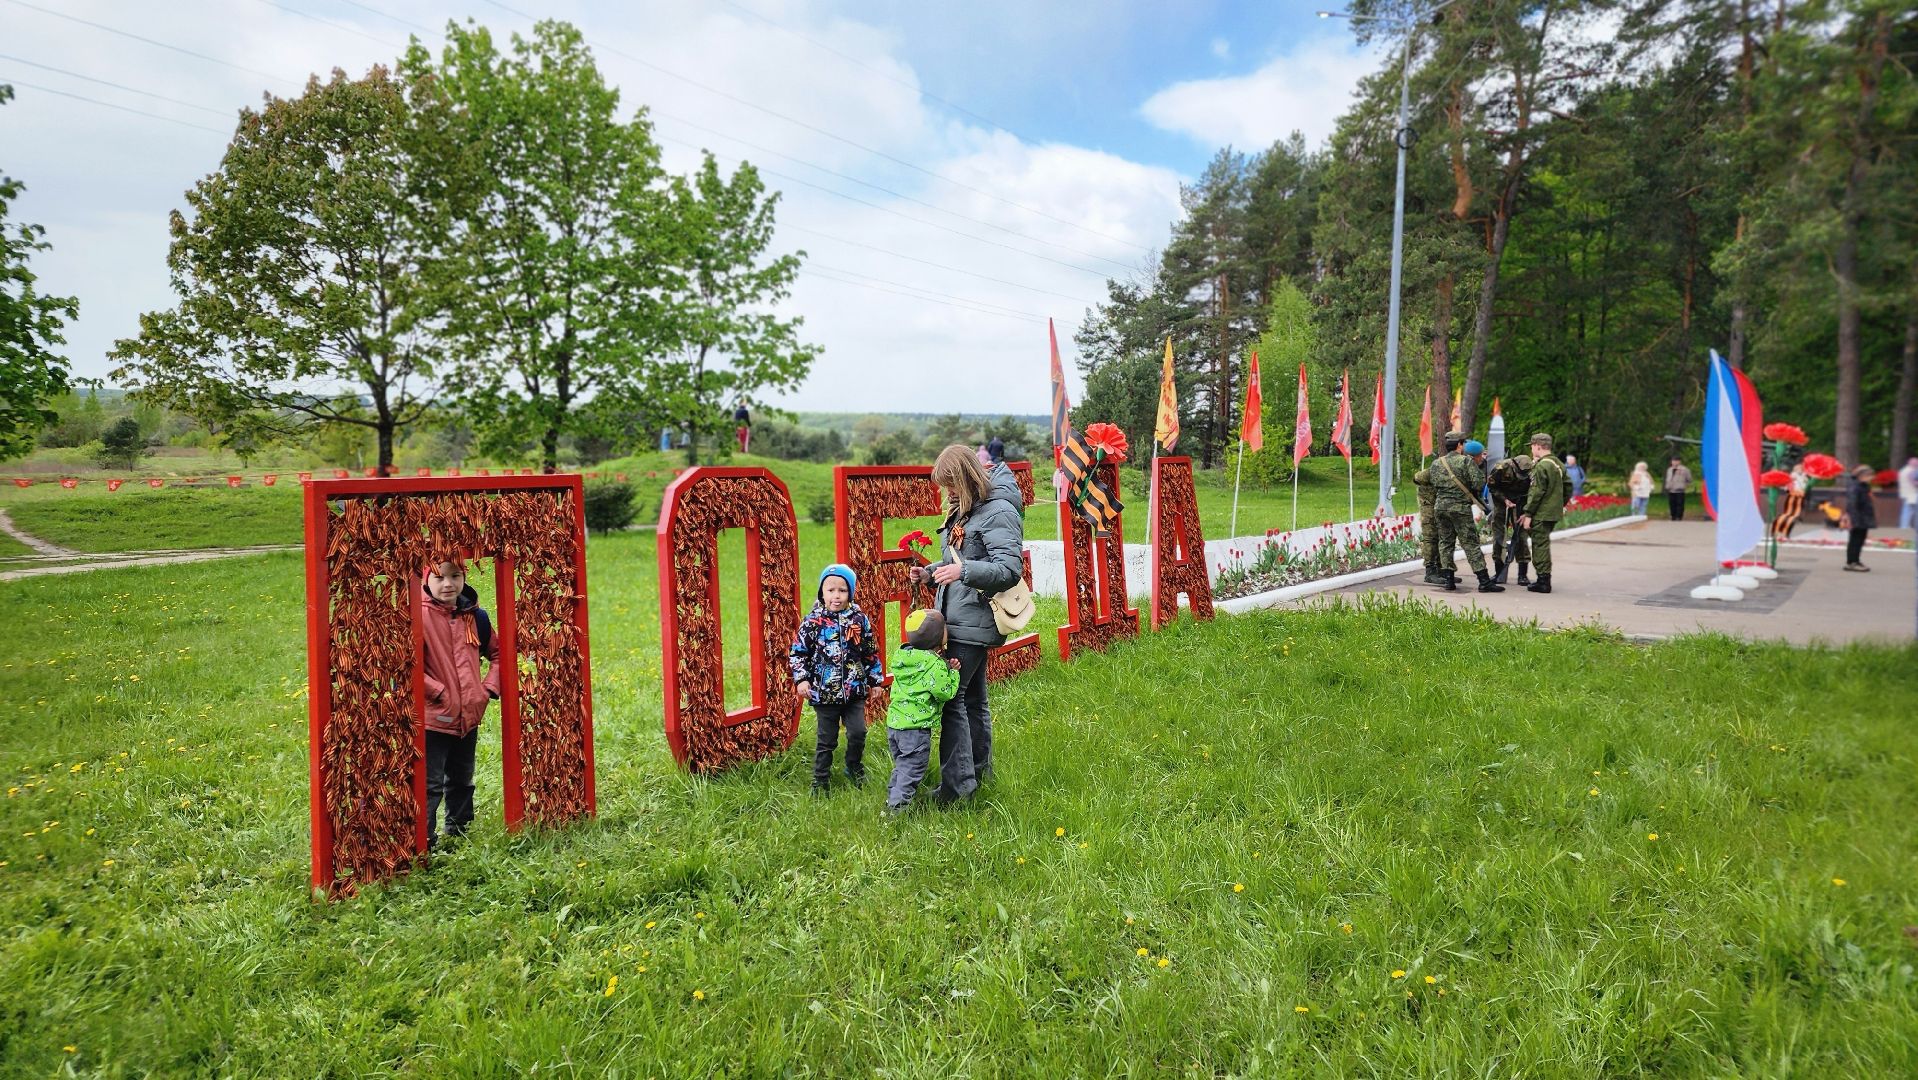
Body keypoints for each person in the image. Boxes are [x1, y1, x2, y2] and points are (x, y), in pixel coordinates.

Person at [909, 444, 1026, 803]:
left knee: (953, 700)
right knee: (973, 699)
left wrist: (964, 571)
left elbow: (1009, 570)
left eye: (951, 484)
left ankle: (957, 789)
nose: (947, 493)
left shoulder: (998, 511)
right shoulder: (965, 510)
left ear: (965, 477)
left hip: (974, 619)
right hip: (958, 615)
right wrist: (930, 574)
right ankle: (976, 774)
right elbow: (958, 561)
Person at [417, 560, 500, 848]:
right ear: (426, 580)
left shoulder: (475, 617)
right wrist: (437, 691)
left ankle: (459, 833)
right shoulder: (417, 617)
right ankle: (423, 840)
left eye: (455, 576)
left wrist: (486, 689)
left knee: (462, 778)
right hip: (432, 718)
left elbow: (499, 654)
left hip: (468, 716)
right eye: (439, 577)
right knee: (429, 785)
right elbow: (405, 665)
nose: (448, 583)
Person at [788, 564, 883, 793]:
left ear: (850, 592)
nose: (836, 596)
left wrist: (875, 679)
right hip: (823, 692)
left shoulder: (859, 619)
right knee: (826, 740)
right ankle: (820, 781)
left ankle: (854, 767)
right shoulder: (812, 622)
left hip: (854, 689)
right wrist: (802, 680)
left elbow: (870, 650)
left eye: (842, 590)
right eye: (830, 590)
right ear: (822, 592)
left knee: (858, 732)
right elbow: (798, 653)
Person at [883, 609, 962, 814]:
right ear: (938, 638)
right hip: (915, 729)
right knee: (912, 769)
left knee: (902, 765)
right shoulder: (933, 665)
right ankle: (897, 809)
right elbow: (945, 693)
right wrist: (953, 673)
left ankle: (893, 797)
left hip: (895, 723)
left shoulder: (904, 656)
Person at [1432, 435, 1502, 593]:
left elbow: (1433, 483)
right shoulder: (1466, 461)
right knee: (1470, 543)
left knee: (1445, 543)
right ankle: (1484, 581)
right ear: (1459, 445)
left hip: (1440, 507)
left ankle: (1448, 580)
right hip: (1460, 509)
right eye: (1463, 443)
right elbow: (1478, 484)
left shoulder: (1437, 463)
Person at [1520, 433, 1567, 594]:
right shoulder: (1557, 464)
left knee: (1540, 545)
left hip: (1540, 512)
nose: (1532, 449)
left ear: (1538, 446)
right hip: (1552, 512)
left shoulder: (1541, 466)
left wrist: (1528, 513)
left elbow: (1536, 492)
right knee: (1543, 543)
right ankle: (1543, 579)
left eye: (1532, 446)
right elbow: (1568, 486)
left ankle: (1543, 581)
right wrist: (1560, 503)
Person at [1488, 453, 1534, 586]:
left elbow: (1532, 491)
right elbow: (1492, 487)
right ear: (1514, 465)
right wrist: (1505, 500)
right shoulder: (1501, 468)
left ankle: (1522, 575)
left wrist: (1527, 511)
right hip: (1501, 502)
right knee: (1499, 536)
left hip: (1520, 502)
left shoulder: (1531, 471)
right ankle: (1499, 572)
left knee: (1521, 537)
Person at [1842, 464, 1877, 571]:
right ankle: (1852, 562)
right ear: (1861, 475)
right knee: (1855, 540)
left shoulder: (1864, 486)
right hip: (1857, 516)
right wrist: (1853, 518)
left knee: (1860, 539)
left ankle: (1855, 560)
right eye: (1869, 475)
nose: (1871, 478)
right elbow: (1852, 503)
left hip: (1863, 516)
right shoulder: (1855, 486)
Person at [1771, 462, 1808, 541]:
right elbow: (1787, 487)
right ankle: (1777, 531)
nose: (1800, 470)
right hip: (1792, 496)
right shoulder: (1792, 476)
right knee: (1787, 515)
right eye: (1798, 468)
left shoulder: (1804, 477)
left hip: (1800, 498)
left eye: (1801, 468)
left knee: (1793, 517)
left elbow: (1805, 487)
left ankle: (1785, 533)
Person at [1898, 457, 1918, 531]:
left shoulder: (1903, 470)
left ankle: (1904, 525)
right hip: (1912, 493)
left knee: (1907, 510)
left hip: (1904, 493)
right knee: (1909, 510)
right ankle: (1905, 526)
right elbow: (1914, 483)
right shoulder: (1912, 471)